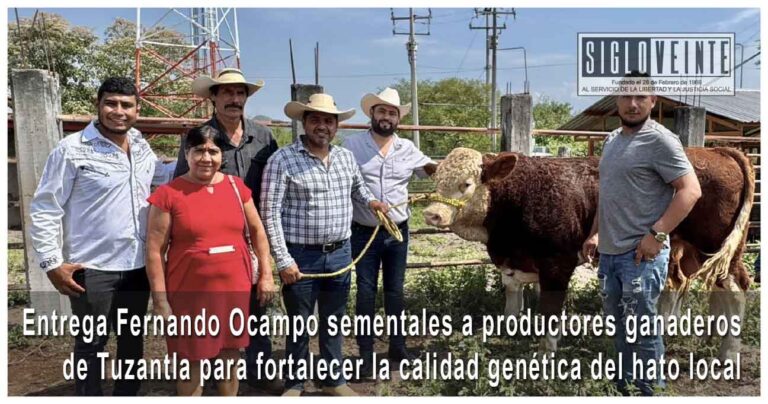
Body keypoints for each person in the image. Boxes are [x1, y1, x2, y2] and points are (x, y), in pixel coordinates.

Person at [29, 77, 156, 396]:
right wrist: (51, 263)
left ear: (136, 110)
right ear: (98, 105)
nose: (119, 111)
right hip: (91, 269)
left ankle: (127, 396)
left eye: (126, 105)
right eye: (111, 103)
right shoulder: (72, 150)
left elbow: (157, 177)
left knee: (132, 340)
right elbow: (45, 206)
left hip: (137, 267)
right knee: (91, 342)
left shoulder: (140, 144)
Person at [260, 93, 388, 396]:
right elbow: (269, 213)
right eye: (315, 119)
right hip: (300, 256)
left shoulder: (344, 157)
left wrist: (371, 201)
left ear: (336, 126)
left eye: (328, 121)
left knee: (334, 320)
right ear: (304, 123)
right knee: (300, 324)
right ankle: (295, 382)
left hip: (340, 252)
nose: (322, 126)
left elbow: (358, 187)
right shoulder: (283, 159)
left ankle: (333, 380)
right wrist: (283, 260)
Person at [581, 72, 701, 396]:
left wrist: (657, 235)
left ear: (652, 101)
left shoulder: (660, 140)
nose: (632, 104)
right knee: (620, 328)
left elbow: (690, 191)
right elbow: (608, 195)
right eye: (625, 96)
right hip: (610, 254)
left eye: (640, 97)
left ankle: (651, 393)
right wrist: (595, 234)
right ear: (616, 100)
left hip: (640, 257)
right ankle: (625, 389)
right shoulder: (612, 141)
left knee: (643, 330)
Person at [146, 126, 275, 396]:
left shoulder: (237, 188)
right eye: (199, 151)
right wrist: (160, 300)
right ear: (187, 152)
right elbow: (155, 251)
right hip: (189, 292)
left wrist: (266, 274)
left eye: (213, 151)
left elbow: (258, 231)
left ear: (222, 155)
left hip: (234, 288)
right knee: (191, 358)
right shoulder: (168, 194)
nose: (206, 158)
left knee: (230, 354)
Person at [175, 67, 281, 393]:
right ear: (214, 97)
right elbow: (182, 186)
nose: (235, 99)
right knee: (209, 309)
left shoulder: (263, 135)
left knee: (257, 305)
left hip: (257, 231)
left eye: (240, 93)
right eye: (227, 93)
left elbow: (276, 183)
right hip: (216, 237)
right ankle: (207, 377)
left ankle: (258, 372)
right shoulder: (199, 137)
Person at [341, 88, 437, 375]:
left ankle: (398, 347)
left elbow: (430, 170)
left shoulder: (407, 148)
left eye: (392, 112)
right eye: (381, 111)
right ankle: (366, 353)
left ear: (398, 119)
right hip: (364, 230)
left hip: (397, 232)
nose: (386, 117)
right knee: (366, 292)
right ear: (372, 114)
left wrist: (457, 166)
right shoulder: (351, 145)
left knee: (395, 292)